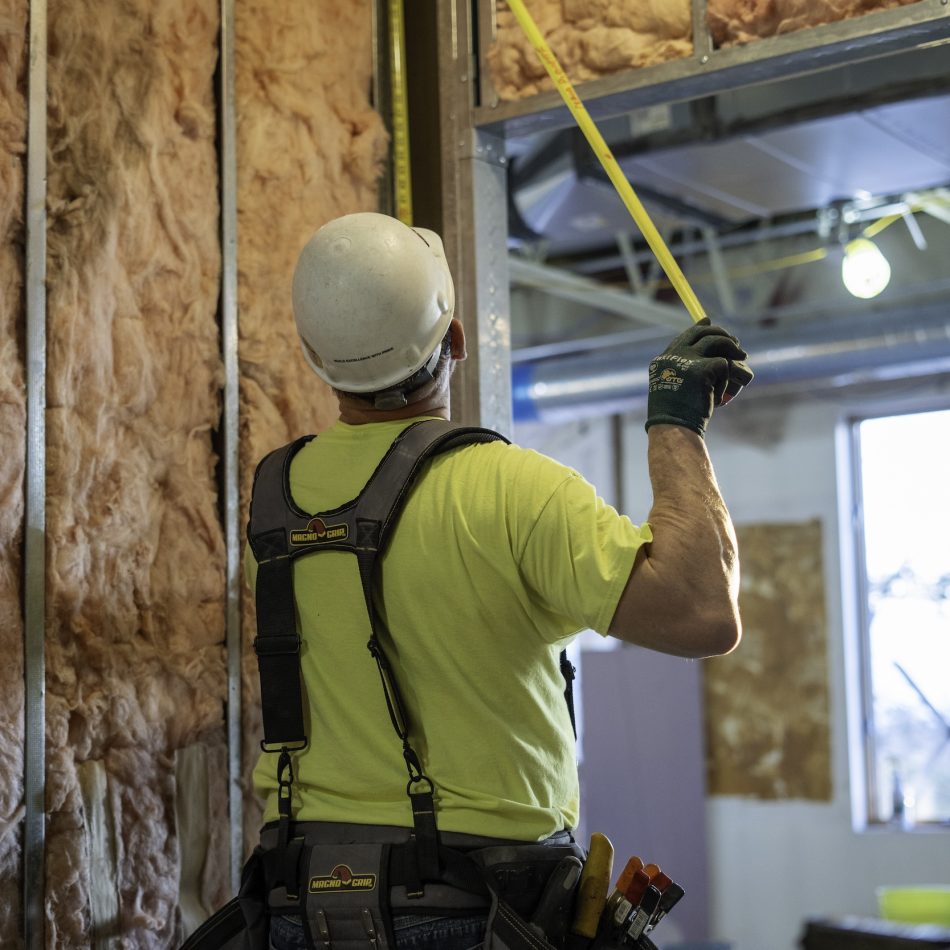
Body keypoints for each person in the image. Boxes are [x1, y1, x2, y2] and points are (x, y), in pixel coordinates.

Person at [244, 211, 752, 950]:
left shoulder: (272, 500)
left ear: (314, 357)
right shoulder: (513, 489)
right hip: (476, 910)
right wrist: (677, 424)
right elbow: (703, 612)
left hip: (298, 904)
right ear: (455, 339)